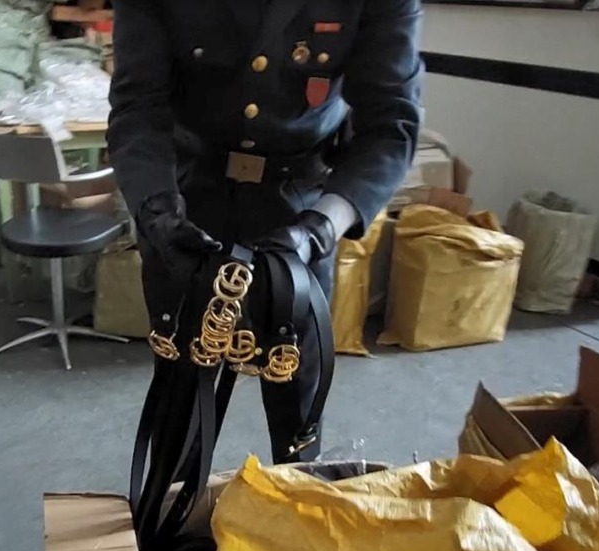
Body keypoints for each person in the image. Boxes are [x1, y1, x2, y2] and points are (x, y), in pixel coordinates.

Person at [108, 0, 424, 463]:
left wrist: (323, 227)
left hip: (299, 211)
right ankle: (174, 501)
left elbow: (390, 124)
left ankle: (294, 499)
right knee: (179, 404)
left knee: (297, 405)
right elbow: (138, 106)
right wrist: (157, 212)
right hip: (186, 206)